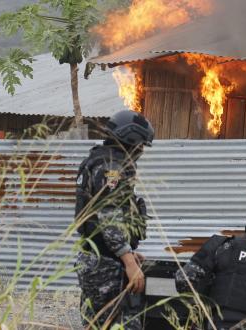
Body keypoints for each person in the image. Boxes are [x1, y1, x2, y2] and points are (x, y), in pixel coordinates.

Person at [74, 110, 154, 330]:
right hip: (106, 265)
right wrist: (128, 261)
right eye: (141, 145)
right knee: (120, 324)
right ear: (131, 140)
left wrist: (127, 251)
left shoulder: (99, 159)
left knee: (97, 322)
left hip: (97, 258)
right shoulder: (113, 167)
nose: (141, 151)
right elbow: (109, 216)